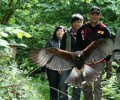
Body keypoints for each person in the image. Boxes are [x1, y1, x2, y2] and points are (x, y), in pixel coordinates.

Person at [75, 6, 112, 100]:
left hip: (99, 61)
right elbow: (77, 46)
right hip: (85, 61)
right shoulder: (82, 29)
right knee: (86, 86)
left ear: (100, 16)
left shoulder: (105, 29)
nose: (94, 16)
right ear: (89, 15)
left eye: (97, 14)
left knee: (97, 85)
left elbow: (109, 47)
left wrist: (108, 63)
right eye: (93, 14)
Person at [59, 13, 84, 100]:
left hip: (80, 63)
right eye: (75, 22)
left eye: (79, 22)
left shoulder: (85, 34)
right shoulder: (66, 34)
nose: (77, 24)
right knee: (63, 83)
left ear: (82, 23)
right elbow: (61, 50)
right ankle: (64, 98)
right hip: (67, 62)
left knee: (77, 86)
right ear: (72, 23)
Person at [45, 26, 65, 100]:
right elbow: (46, 56)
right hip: (52, 68)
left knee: (63, 87)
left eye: (62, 31)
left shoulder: (67, 42)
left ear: (64, 32)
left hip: (64, 68)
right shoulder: (50, 42)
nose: (60, 32)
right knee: (53, 88)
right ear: (55, 32)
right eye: (58, 30)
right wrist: (45, 71)